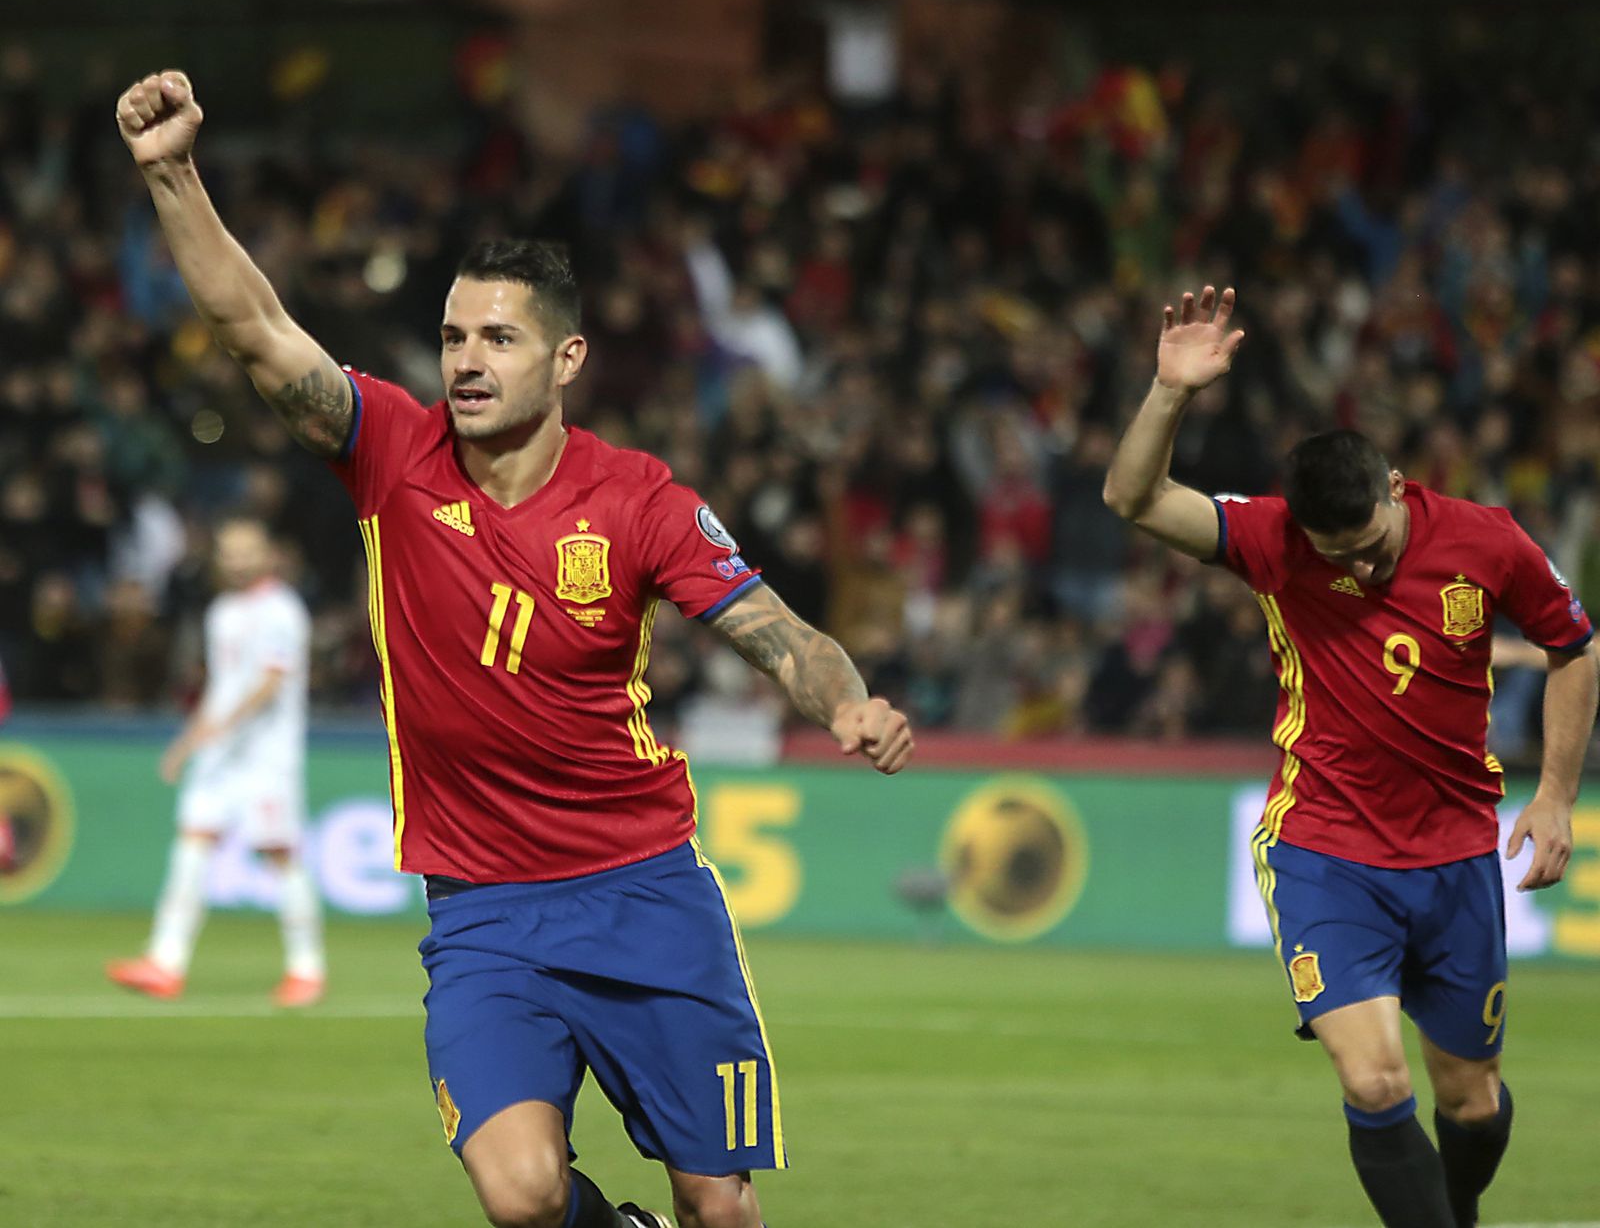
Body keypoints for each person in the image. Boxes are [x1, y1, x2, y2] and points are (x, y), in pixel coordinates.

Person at [116, 70, 914, 1228]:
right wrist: (172, 174)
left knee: (724, 1211)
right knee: (519, 1193)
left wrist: (843, 701)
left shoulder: (638, 500)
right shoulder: (390, 451)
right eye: (451, 336)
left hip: (642, 886)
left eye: (498, 336)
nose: (467, 359)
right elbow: (255, 330)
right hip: (484, 907)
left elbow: (777, 629)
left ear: (567, 358)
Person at [1104, 286, 1598, 1227]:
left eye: (1372, 548)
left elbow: (1577, 646)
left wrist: (1558, 795)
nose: (1361, 571)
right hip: (1324, 849)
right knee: (1373, 1080)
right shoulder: (1276, 541)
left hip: (1456, 853)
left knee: (1472, 1100)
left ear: (1398, 488)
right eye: (1341, 557)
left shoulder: (1488, 541)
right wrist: (1170, 392)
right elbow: (1131, 498)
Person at [107, 516, 324, 1006]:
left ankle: (307, 969)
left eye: (247, 550)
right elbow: (221, 687)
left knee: (280, 855)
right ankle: (165, 961)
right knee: (191, 844)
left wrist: (220, 728)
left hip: (267, 757)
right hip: (220, 756)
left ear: (268, 554)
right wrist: (187, 743)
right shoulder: (222, 611)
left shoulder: (282, 610)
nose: (237, 560)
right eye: (228, 552)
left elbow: (272, 682)